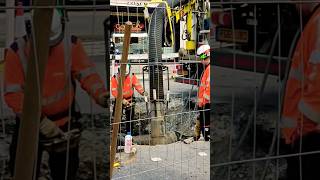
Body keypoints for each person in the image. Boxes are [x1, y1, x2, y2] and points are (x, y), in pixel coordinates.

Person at [4, 9, 108, 180]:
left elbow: (87, 74)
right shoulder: (16, 53)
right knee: (22, 171)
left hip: (65, 122)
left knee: (65, 173)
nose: (48, 49)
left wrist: (101, 95)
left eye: (52, 45)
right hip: (29, 126)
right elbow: (13, 96)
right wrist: (40, 122)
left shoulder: (70, 46)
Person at [281, 2, 320, 180]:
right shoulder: (313, 22)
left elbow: (316, 93)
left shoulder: (317, 22)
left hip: (308, 141)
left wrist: (302, 134)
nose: (294, 4)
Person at [111, 64, 147, 134]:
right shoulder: (115, 78)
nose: (125, 76)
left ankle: (129, 133)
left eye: (126, 75)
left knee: (130, 117)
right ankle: (116, 133)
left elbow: (137, 85)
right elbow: (114, 91)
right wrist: (121, 100)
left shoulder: (131, 76)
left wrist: (142, 92)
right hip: (119, 99)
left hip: (130, 98)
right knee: (117, 116)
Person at [195, 44, 210, 141]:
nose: (201, 61)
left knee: (207, 122)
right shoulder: (207, 69)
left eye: (201, 58)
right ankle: (206, 135)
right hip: (204, 103)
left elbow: (208, 88)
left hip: (207, 103)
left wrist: (203, 102)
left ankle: (207, 135)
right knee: (204, 121)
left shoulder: (209, 69)